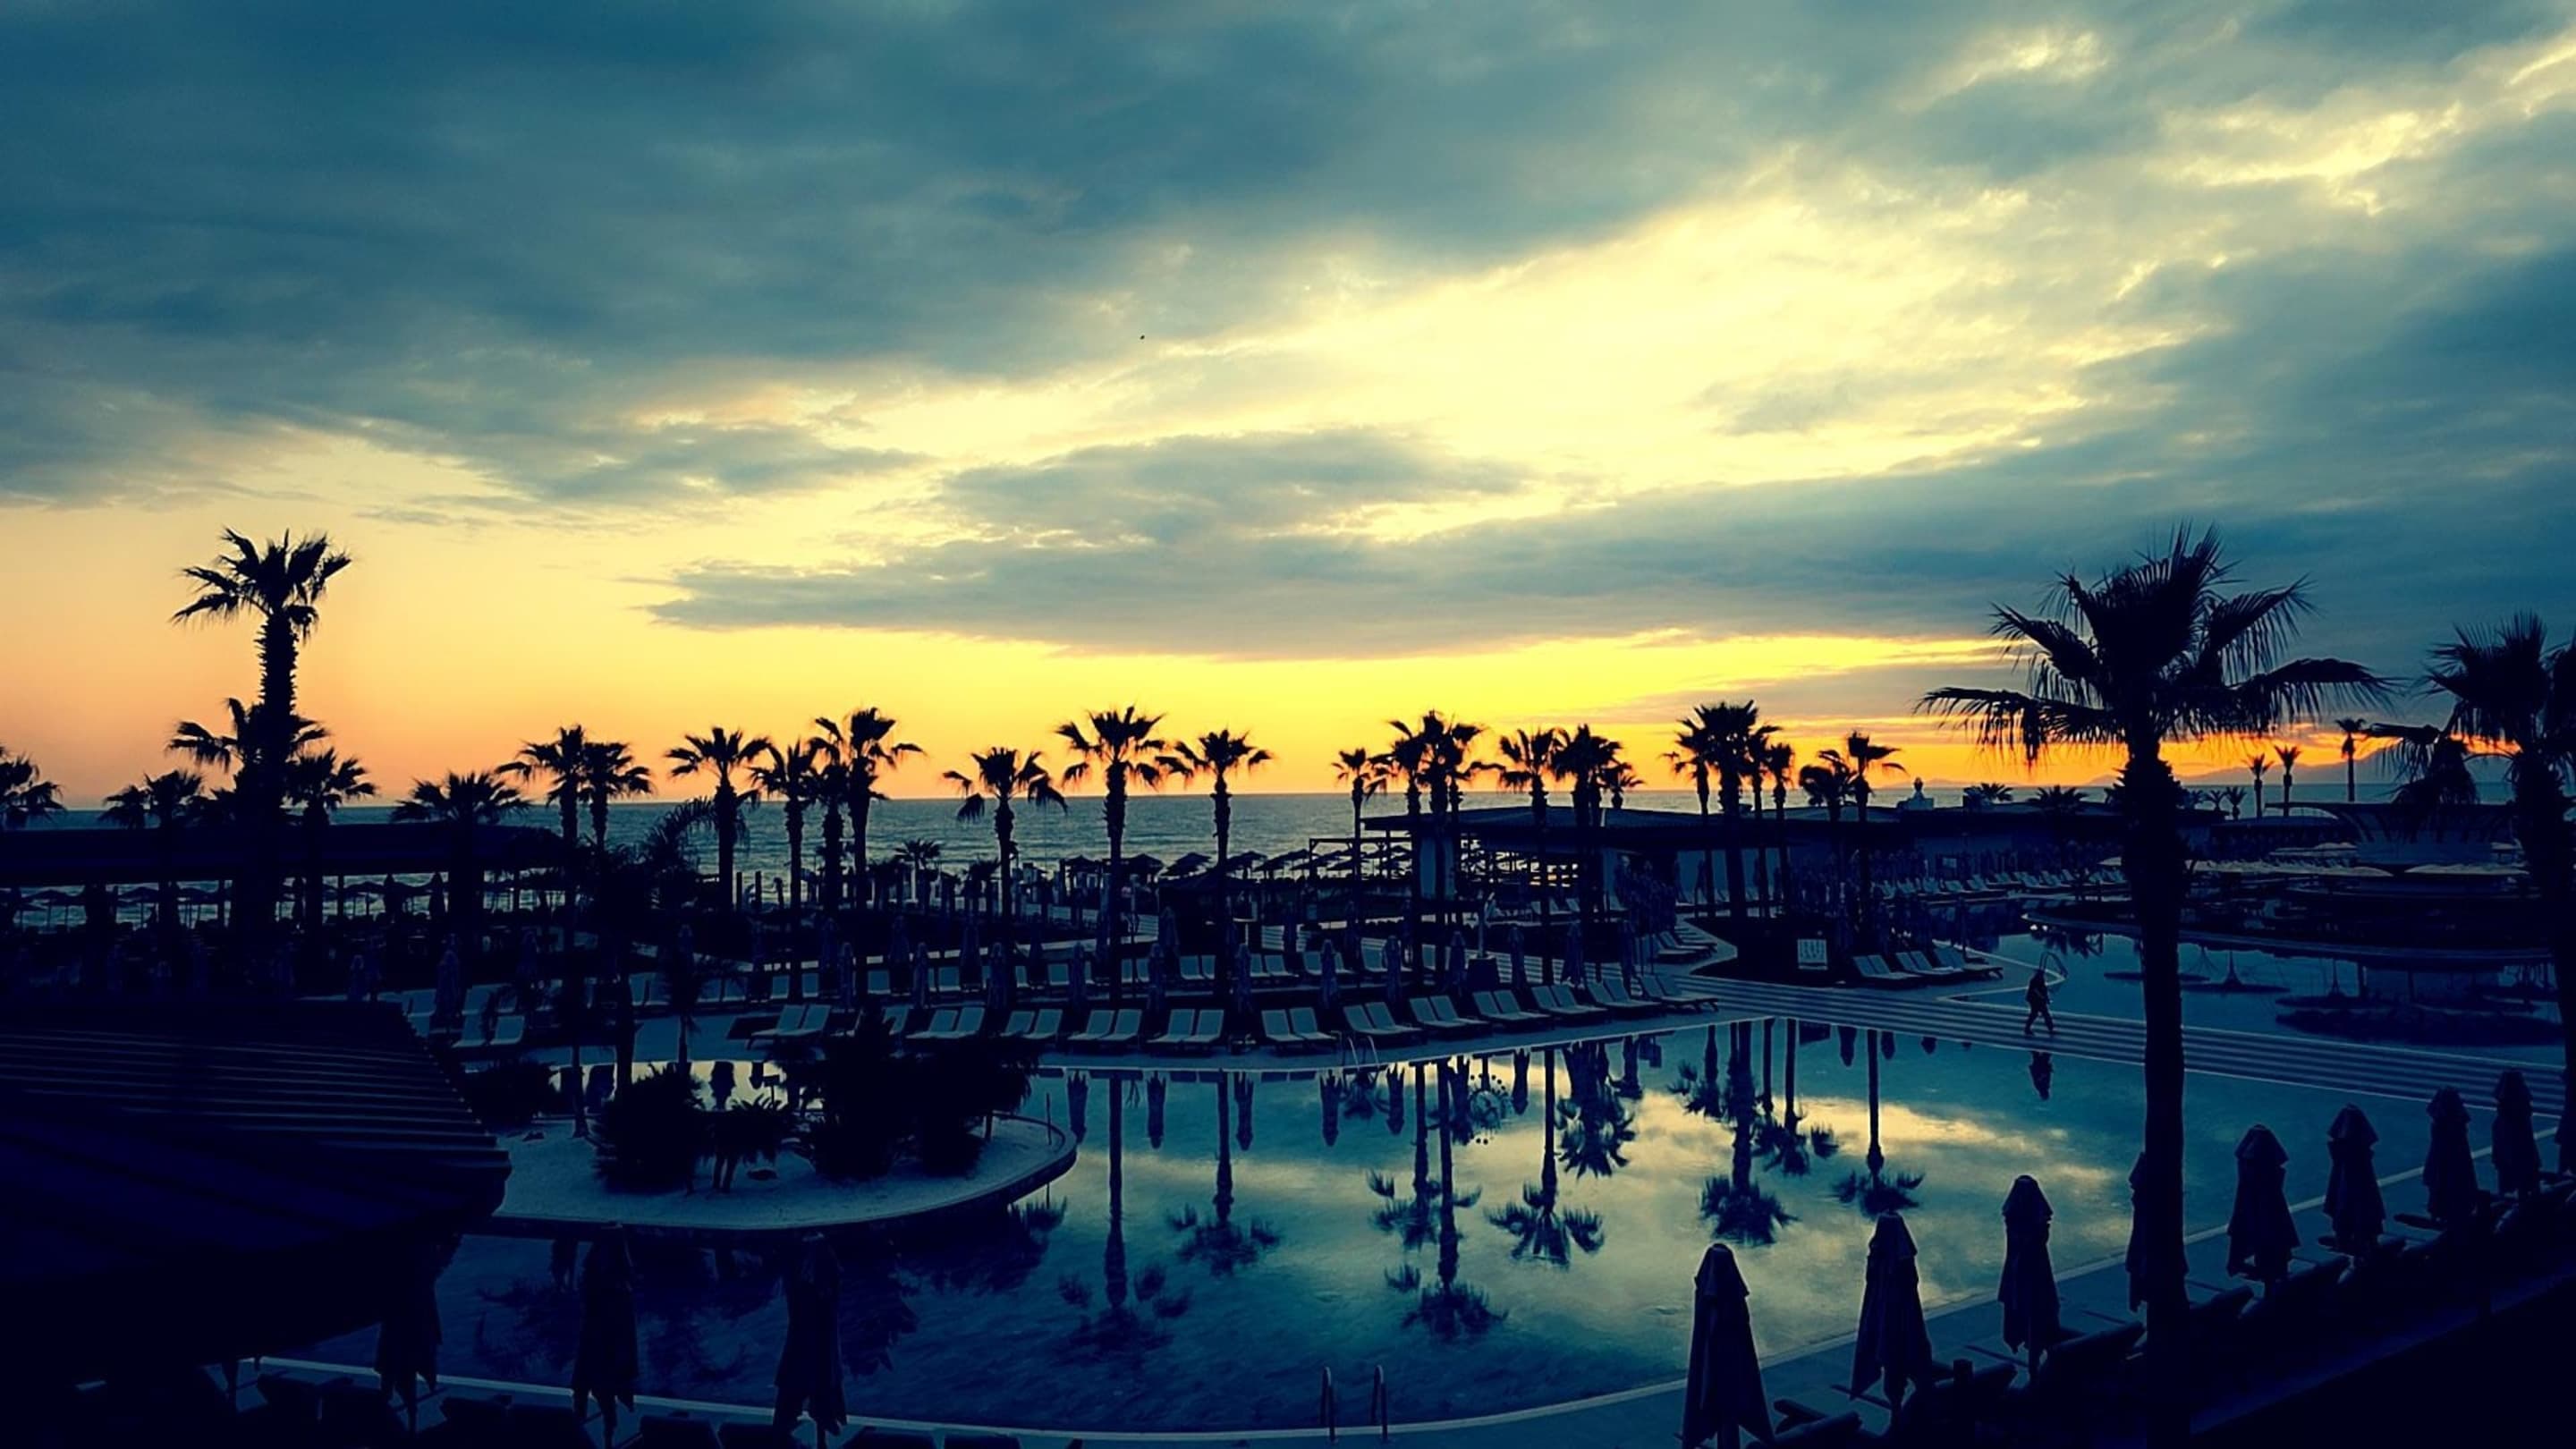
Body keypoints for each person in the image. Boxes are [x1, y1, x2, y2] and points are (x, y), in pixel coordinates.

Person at [2023, 970, 2056, 1037]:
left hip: (2036, 1000)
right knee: (2043, 1014)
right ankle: (2050, 1029)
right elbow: (2036, 990)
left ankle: (2027, 1028)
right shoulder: (2036, 980)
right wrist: (2043, 997)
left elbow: (2042, 990)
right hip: (2036, 1000)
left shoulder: (2037, 980)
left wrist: (2045, 998)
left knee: (2036, 1014)